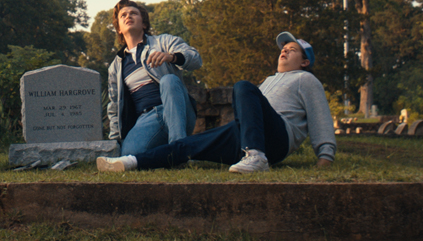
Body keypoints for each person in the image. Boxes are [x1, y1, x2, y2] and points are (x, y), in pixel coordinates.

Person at [97, 32, 335, 174]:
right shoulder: (269, 81)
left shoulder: (306, 80)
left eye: (291, 50)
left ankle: (256, 157)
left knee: (242, 86)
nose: (284, 51)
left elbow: (320, 117)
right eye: (283, 48)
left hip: (277, 138)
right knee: (187, 146)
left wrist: (325, 157)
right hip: (245, 136)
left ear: (304, 62)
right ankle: (129, 162)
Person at [106, 0, 201, 156]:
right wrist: (115, 142)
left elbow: (195, 59)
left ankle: (179, 149)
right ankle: (166, 153)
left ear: (143, 24)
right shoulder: (116, 67)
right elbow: (114, 107)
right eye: (123, 15)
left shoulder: (163, 42)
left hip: (177, 110)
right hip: (147, 119)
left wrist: (171, 57)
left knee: (168, 80)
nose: (128, 16)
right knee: (129, 154)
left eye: (133, 13)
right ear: (119, 30)